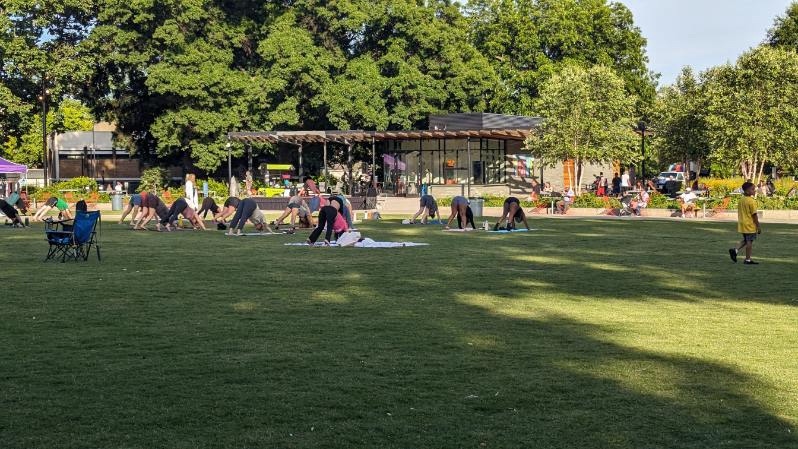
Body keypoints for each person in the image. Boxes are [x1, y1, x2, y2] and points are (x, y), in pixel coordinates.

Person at [729, 182, 761, 265]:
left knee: (746, 240)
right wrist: (758, 226)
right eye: (752, 189)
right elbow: (754, 215)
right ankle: (747, 259)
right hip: (749, 224)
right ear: (747, 191)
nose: (754, 191)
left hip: (742, 223)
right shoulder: (752, 201)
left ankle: (735, 250)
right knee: (749, 242)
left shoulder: (741, 200)